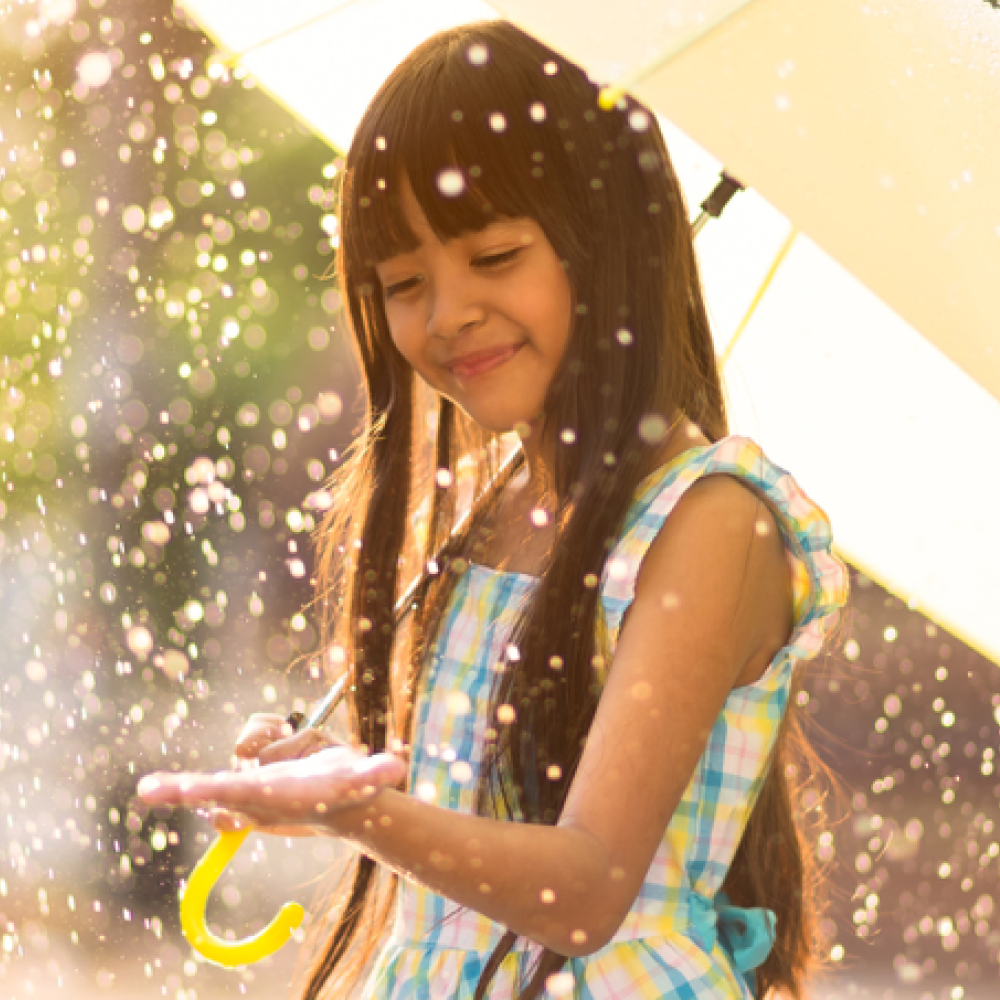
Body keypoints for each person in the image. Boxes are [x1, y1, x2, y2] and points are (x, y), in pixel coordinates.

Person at [138, 20, 849, 1000]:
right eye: (403, 282)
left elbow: (586, 888)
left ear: (606, 245)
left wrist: (356, 809)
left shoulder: (708, 523)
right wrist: (341, 772)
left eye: (496, 254)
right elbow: (477, 820)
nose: (446, 314)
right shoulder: (489, 504)